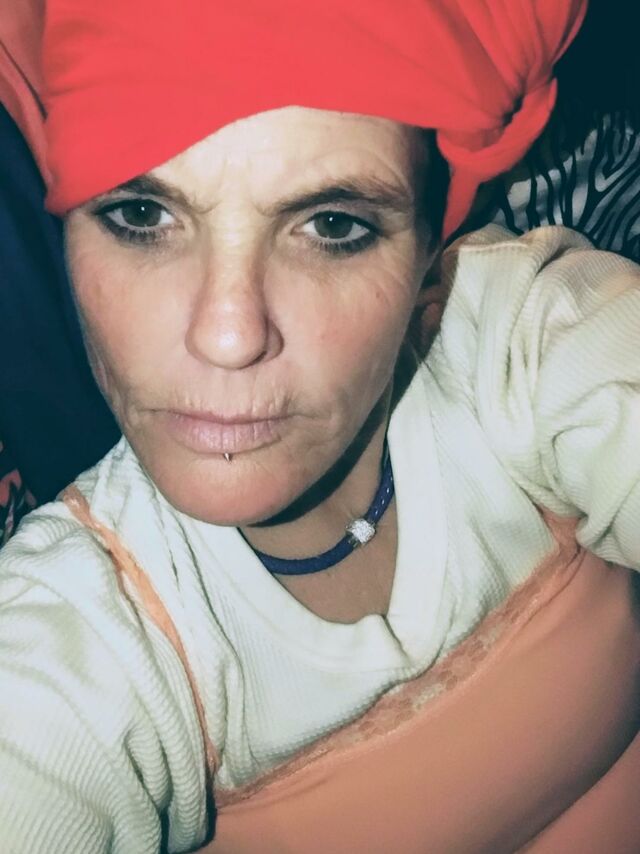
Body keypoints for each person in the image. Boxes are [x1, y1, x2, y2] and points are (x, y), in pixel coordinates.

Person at [1, 2, 640, 852]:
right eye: (142, 216)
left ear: (429, 253)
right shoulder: (78, 636)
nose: (228, 335)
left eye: (332, 226)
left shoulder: (519, 338)